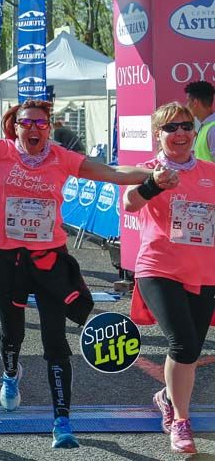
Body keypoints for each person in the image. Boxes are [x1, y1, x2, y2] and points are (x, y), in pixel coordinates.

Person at [0, 58, 151, 449]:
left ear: (49, 128)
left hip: (49, 261)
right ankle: (10, 372)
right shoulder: (1, 151)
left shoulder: (62, 157)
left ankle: (62, 419)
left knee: (54, 341)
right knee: (12, 332)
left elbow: (113, 173)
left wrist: (156, 172)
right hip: (7, 261)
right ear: (15, 127)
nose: (33, 129)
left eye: (41, 124)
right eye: (26, 123)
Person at [123, 102, 215, 454]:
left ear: (194, 131)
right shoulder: (149, 170)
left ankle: (166, 396)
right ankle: (181, 420)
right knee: (183, 344)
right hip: (158, 268)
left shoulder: (210, 172)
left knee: (190, 351)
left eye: (186, 126)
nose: (180, 133)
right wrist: (152, 185)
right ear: (157, 134)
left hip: (203, 271)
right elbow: (130, 203)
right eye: (171, 128)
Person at [184, 80, 215, 162]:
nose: (186, 105)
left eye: (188, 101)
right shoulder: (206, 126)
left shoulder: (213, 129)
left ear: (195, 102)